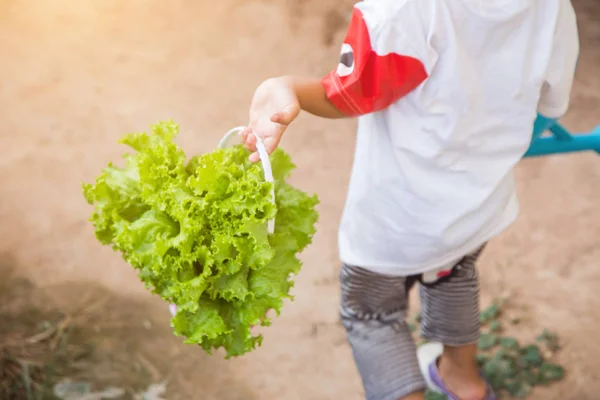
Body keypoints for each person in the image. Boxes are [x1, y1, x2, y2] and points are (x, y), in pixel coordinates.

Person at [240, 0, 579, 399]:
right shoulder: (551, 7)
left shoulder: (402, 10)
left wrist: (287, 87)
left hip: (395, 220)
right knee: (451, 271)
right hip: (479, 204)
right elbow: (551, 103)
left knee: (372, 315)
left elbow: (351, 95)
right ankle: (463, 381)